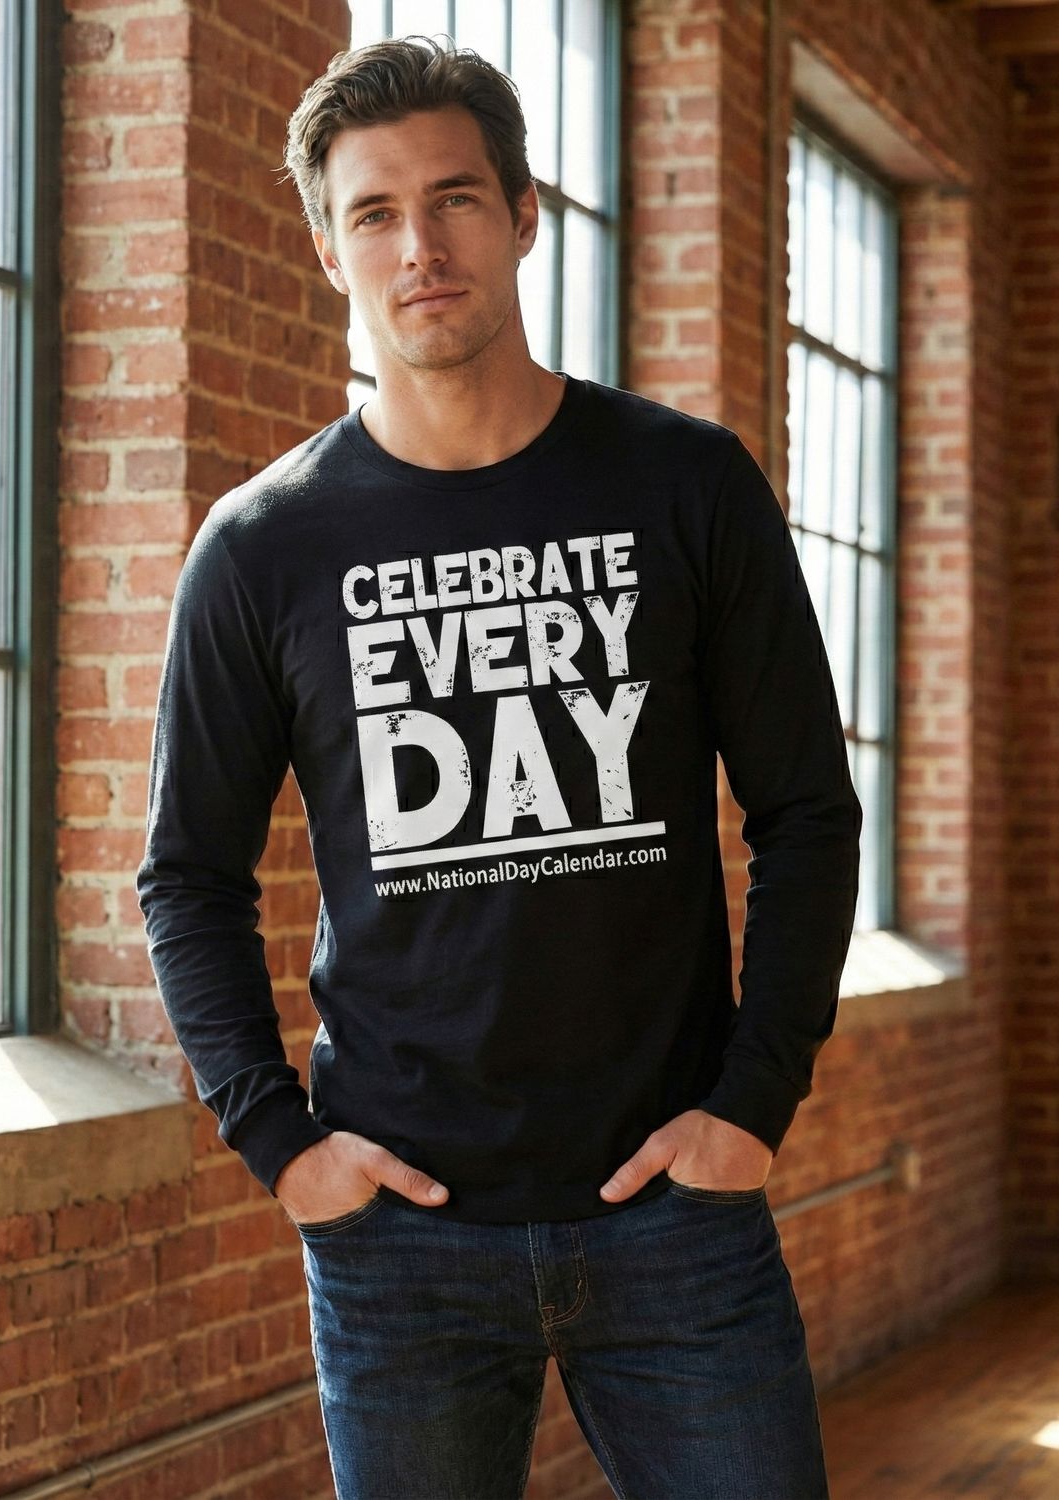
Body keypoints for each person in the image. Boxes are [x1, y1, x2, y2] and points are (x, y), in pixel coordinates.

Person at [135, 32, 860, 1500]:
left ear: (524, 213)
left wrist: (753, 1104)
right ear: (330, 248)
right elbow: (188, 878)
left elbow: (806, 814)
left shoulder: (685, 485)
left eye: (456, 199)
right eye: (375, 214)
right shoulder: (264, 549)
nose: (422, 246)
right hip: (401, 1233)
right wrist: (284, 1147)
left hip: (673, 1210)